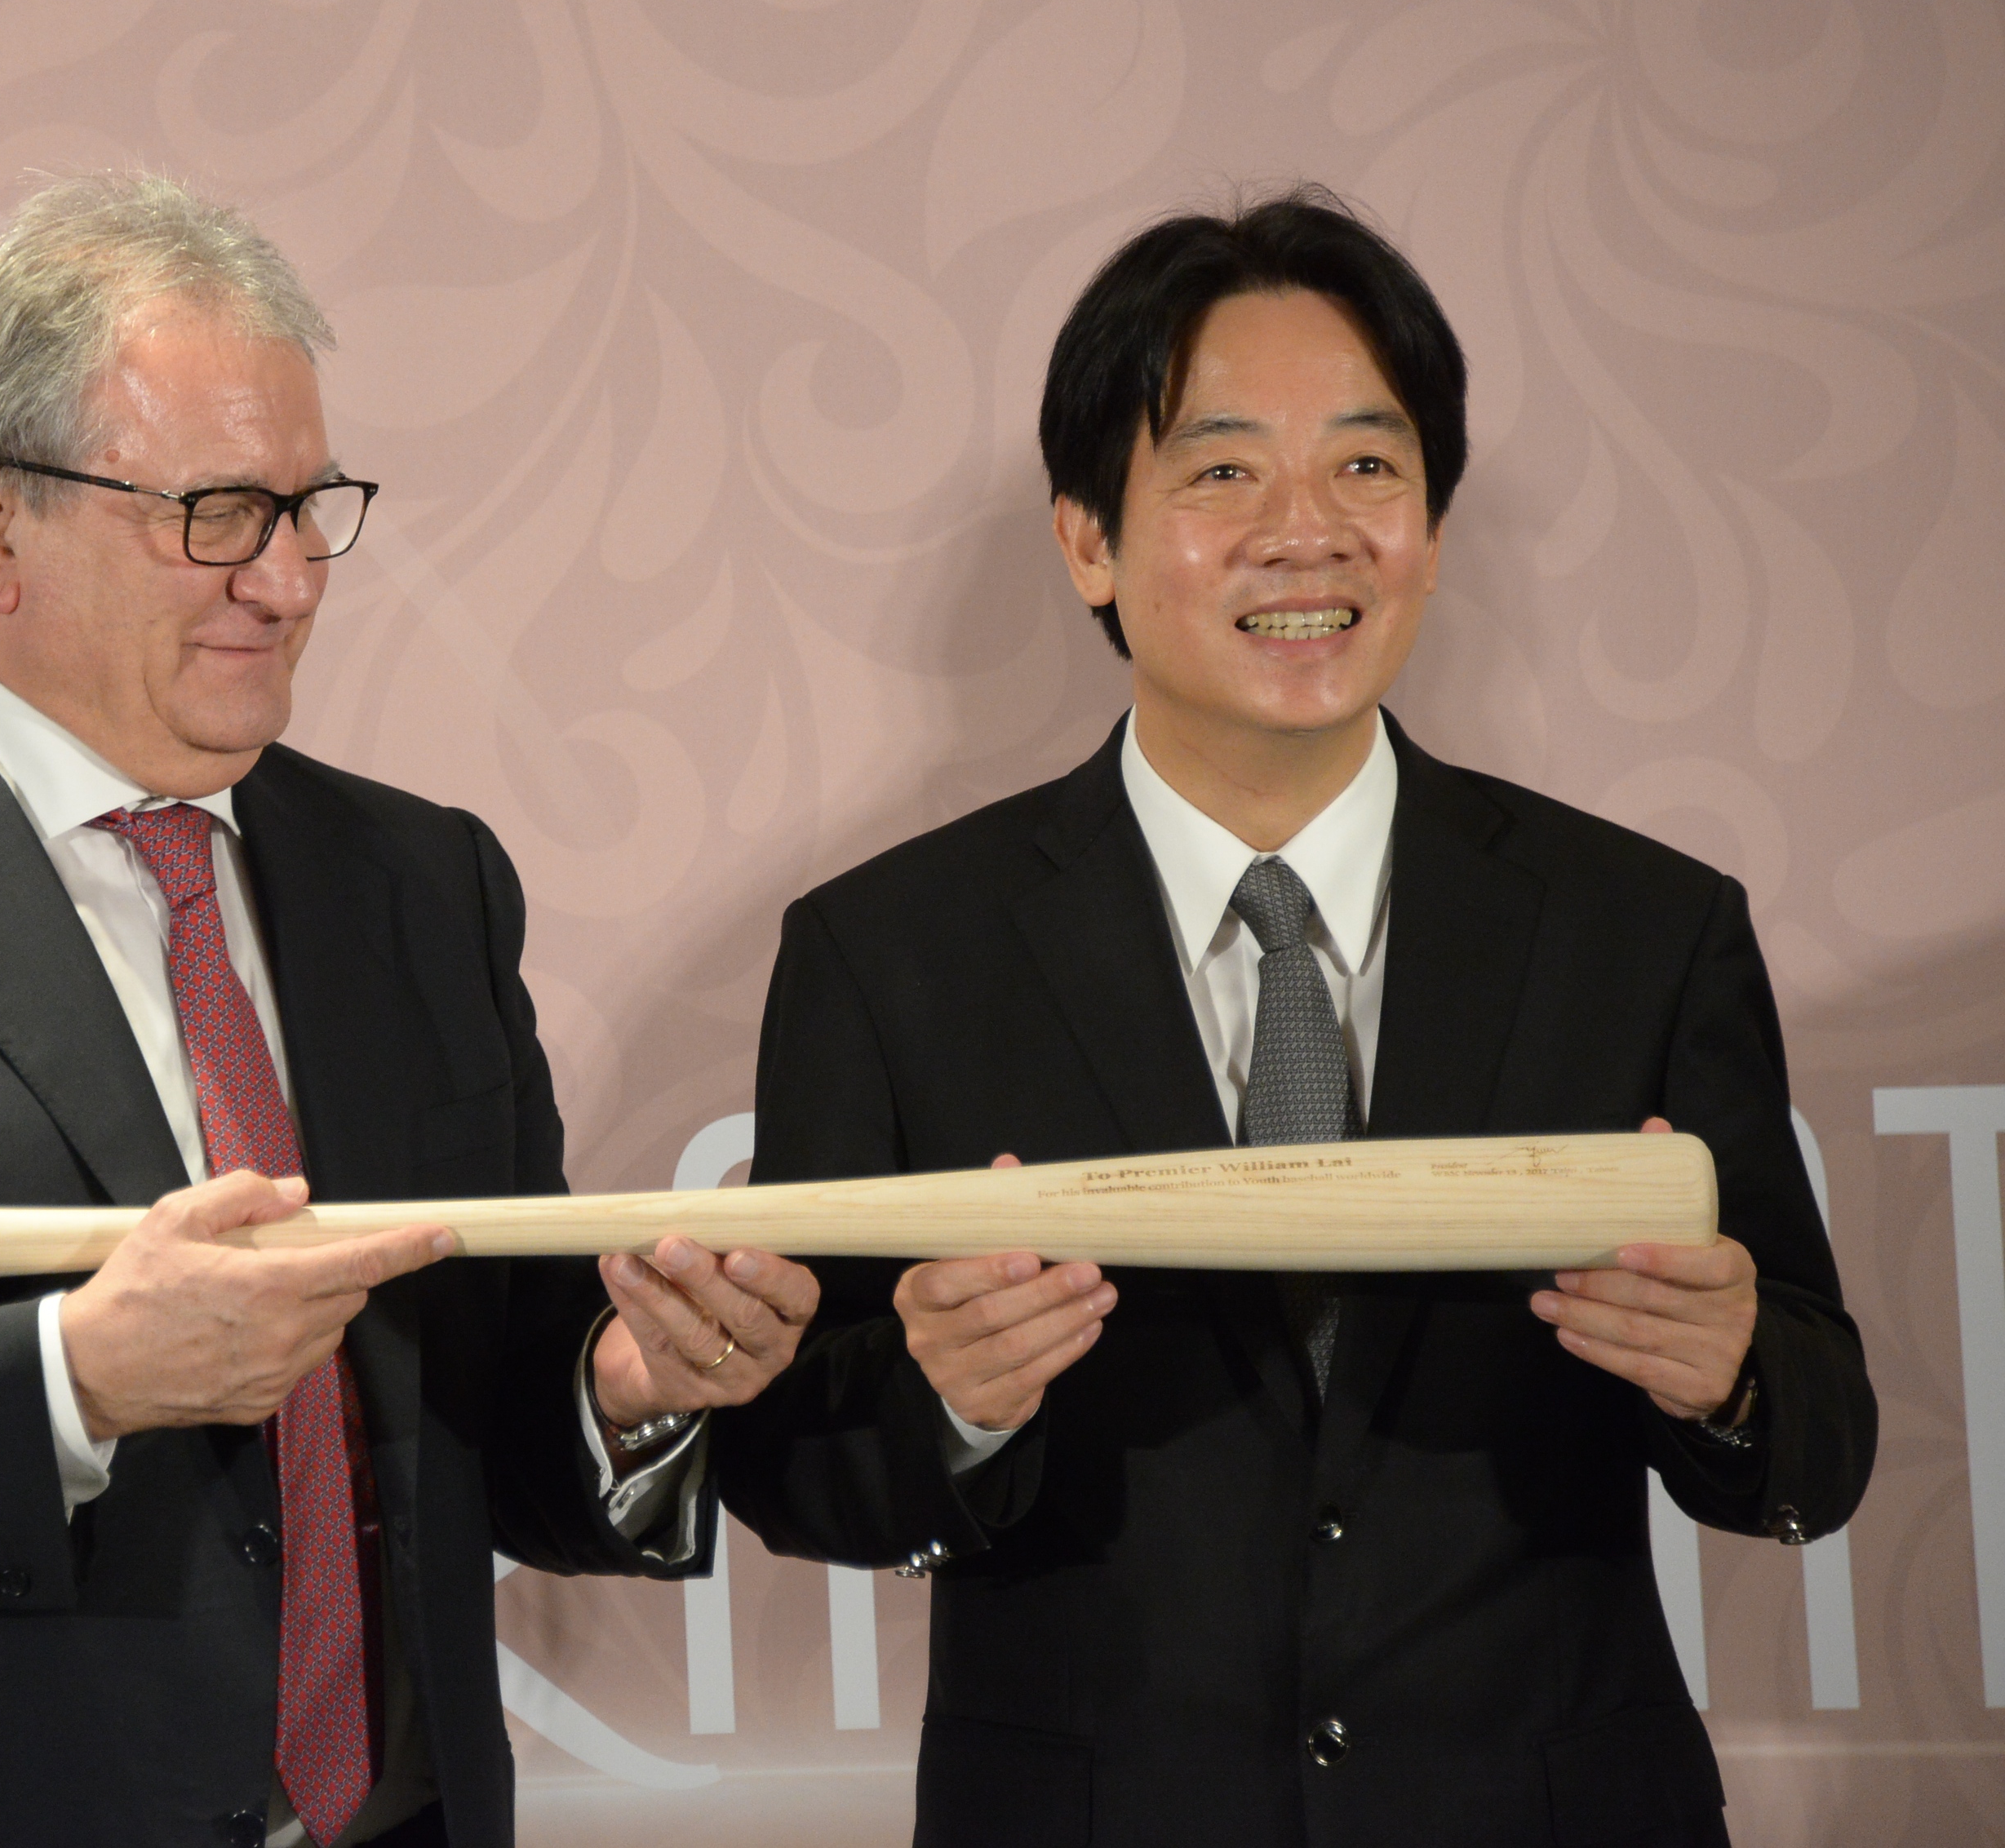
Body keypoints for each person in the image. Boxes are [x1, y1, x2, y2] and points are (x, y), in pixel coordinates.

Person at [0, 173, 818, 1848]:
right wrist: (71, 1378)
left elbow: (462, 1417)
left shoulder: (422, 881)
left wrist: (625, 1384)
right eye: (218, 513)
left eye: (310, 506)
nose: (291, 579)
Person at [715, 187, 1874, 1847]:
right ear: (1088, 539)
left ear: (1434, 529)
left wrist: (1732, 1378)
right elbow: (789, 1460)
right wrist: (951, 1399)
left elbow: (1822, 1434)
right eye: (1221, 473)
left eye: (1367, 466)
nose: (1307, 531)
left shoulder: (1642, 930)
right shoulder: (891, 952)